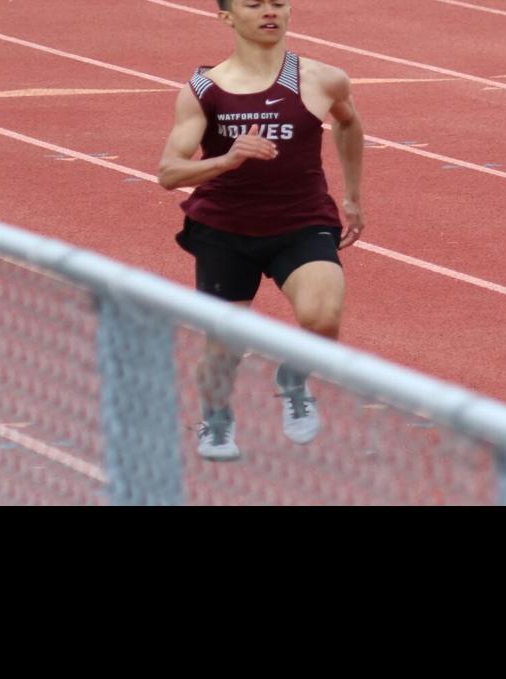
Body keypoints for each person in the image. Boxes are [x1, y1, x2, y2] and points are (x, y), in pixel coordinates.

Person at [157, 0, 364, 461]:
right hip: (225, 229)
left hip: (302, 220)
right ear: (228, 17)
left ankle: (293, 377)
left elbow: (349, 123)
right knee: (224, 345)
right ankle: (215, 421)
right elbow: (169, 172)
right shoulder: (203, 90)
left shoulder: (323, 79)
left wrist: (351, 195)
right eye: (254, 4)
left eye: (279, 3)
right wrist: (228, 160)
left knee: (323, 316)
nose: (269, 11)